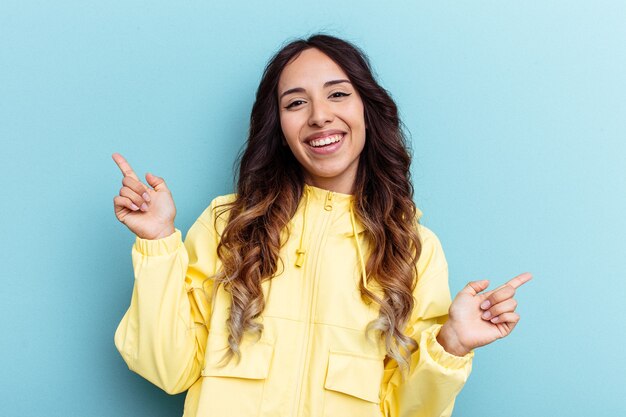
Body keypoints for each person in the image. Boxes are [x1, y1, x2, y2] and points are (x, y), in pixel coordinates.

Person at [112, 34, 531, 417]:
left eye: (338, 94)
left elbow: (407, 410)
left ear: (367, 108)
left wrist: (451, 344)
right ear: (279, 127)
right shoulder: (230, 224)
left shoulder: (413, 248)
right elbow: (166, 368)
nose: (319, 116)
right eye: (296, 102)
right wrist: (158, 243)